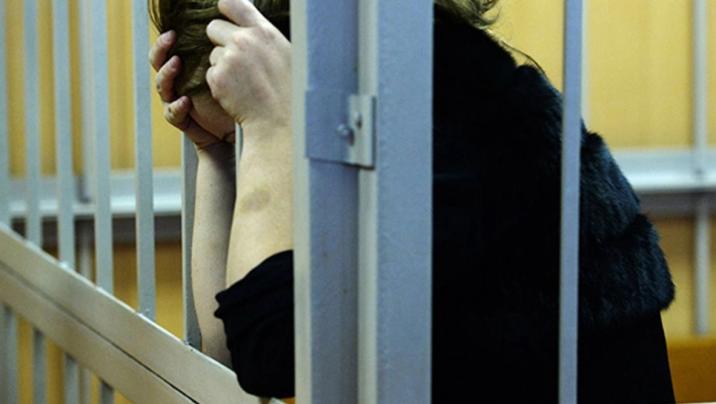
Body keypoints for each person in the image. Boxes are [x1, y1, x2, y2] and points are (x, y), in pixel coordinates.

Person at [148, 0, 677, 402]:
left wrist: (268, 126)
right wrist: (216, 155)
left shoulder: (464, 116)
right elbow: (230, 345)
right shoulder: (395, 92)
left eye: (240, 128)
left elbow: (270, 357)